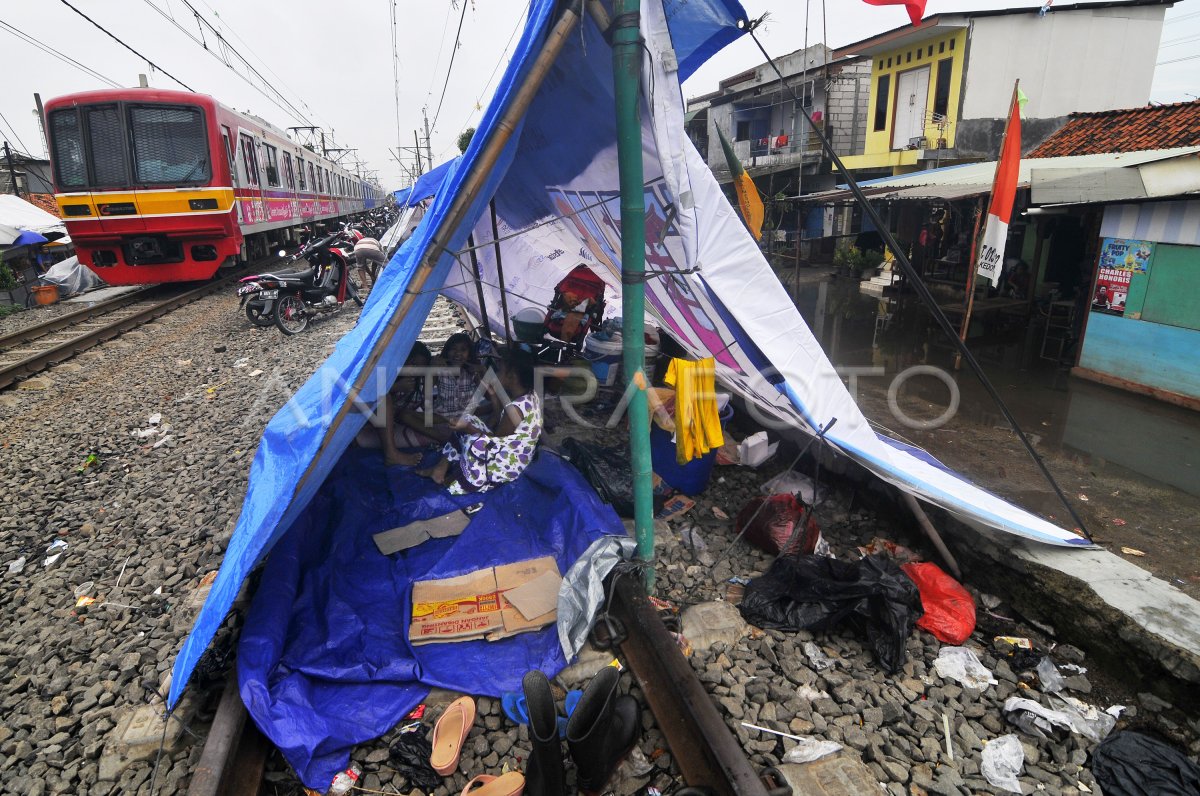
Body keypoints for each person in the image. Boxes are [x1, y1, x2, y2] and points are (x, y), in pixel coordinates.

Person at [416, 350, 543, 494]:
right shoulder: (529, 395)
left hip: (508, 464)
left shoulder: (515, 409)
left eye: (499, 370)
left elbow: (495, 442)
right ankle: (440, 469)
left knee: (474, 442)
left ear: (512, 377)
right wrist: (493, 395)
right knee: (467, 420)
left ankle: (464, 482)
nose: (496, 373)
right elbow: (497, 419)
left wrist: (468, 428)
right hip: (511, 451)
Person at [396, 331, 483, 445]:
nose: (457, 353)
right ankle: (444, 439)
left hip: (465, 419)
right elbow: (424, 393)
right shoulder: (440, 370)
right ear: (447, 352)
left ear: (469, 354)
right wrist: (433, 369)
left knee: (490, 408)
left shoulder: (472, 372)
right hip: (441, 417)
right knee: (404, 415)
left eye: (463, 350)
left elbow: (489, 395)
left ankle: (451, 437)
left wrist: (482, 371)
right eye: (453, 349)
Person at [356, 342, 434, 463]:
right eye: (412, 363)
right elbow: (367, 394)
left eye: (419, 367)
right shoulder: (387, 374)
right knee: (383, 396)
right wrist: (394, 387)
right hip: (367, 420)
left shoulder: (419, 385)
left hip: (392, 423)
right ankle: (391, 454)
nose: (413, 369)